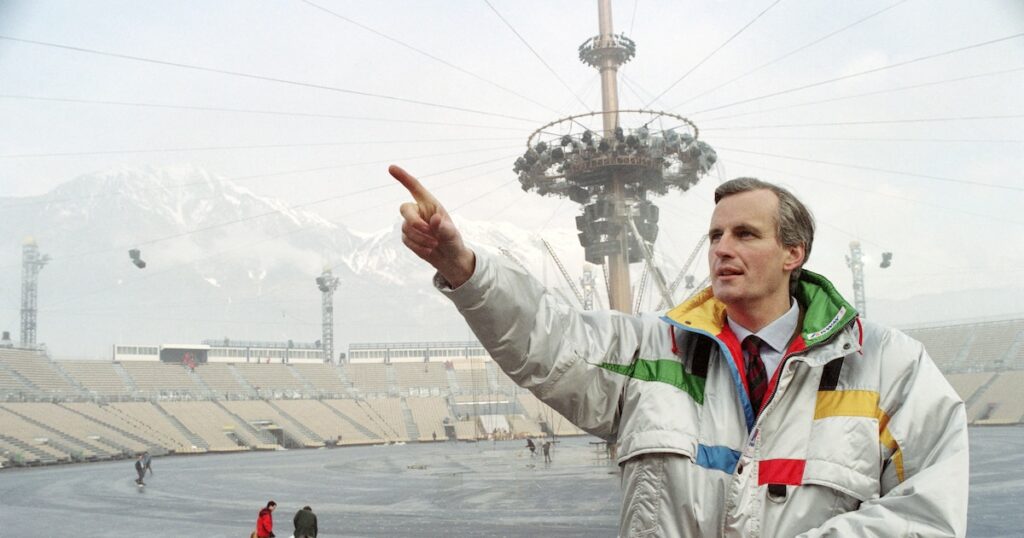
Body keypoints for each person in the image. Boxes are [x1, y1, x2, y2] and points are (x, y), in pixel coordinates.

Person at [391, 164, 969, 537]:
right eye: (715, 235)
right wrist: (463, 268)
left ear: (794, 253)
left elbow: (929, 514)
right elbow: (549, 338)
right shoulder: (651, 352)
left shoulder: (890, 365)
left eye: (745, 234)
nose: (722, 249)